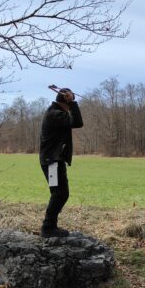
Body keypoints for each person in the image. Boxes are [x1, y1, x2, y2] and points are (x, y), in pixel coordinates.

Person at [38, 88, 84, 237]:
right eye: (68, 103)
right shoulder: (55, 114)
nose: (69, 108)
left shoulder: (55, 113)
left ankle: (50, 227)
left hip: (53, 159)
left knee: (59, 194)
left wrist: (70, 103)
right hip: (52, 161)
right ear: (65, 102)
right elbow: (77, 122)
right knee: (59, 194)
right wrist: (73, 103)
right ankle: (48, 228)